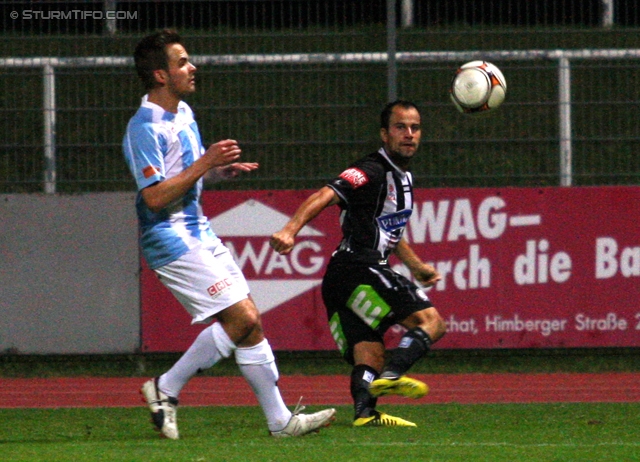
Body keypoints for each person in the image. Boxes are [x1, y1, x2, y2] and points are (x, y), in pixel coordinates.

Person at [123, 29, 336, 439]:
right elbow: (153, 198)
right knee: (243, 317)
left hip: (197, 229)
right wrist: (205, 163)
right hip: (168, 236)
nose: (192, 66)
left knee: (250, 326)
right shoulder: (143, 127)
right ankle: (165, 387)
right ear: (160, 75)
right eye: (182, 61)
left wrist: (217, 171)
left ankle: (280, 422)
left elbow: (183, 178)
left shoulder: (183, 113)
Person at [270, 100, 447, 427]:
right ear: (384, 133)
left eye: (415, 128)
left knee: (369, 354)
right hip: (358, 266)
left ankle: (366, 414)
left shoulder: (402, 178)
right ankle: (394, 375)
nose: (409, 134)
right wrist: (289, 229)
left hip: (340, 277)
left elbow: (391, 231)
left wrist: (417, 266)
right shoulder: (372, 169)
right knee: (431, 322)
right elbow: (326, 194)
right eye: (400, 127)